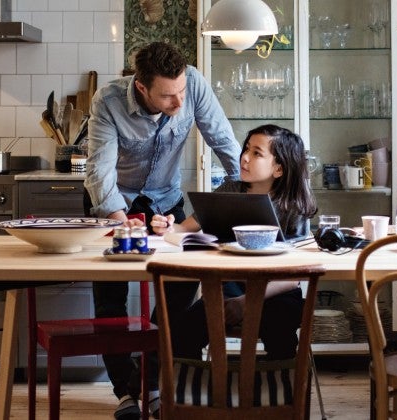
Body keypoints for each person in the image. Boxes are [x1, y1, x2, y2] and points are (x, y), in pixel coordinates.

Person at [83, 41, 242, 420]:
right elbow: (100, 171)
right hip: (115, 203)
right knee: (110, 298)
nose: (178, 102)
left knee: (179, 288)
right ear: (141, 87)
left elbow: (224, 142)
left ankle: (151, 381)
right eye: (168, 96)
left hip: (166, 202)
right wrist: (123, 224)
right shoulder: (108, 101)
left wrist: (247, 187)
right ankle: (125, 391)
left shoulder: (194, 86)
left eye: (181, 92)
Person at [149, 124, 318, 361]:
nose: (245, 158)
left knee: (281, 329)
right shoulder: (230, 189)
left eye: (257, 153)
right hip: (228, 289)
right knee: (183, 333)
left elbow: (293, 278)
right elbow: (183, 229)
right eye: (246, 149)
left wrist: (246, 303)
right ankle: (197, 393)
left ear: (279, 168)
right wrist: (167, 226)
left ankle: (278, 392)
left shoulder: (293, 207)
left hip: (275, 292)